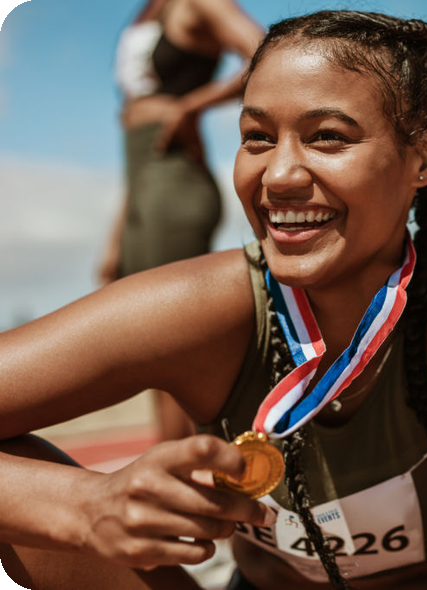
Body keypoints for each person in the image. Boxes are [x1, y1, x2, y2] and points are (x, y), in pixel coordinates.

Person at [0, 10, 427, 590]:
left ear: (425, 158)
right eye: (257, 137)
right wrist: (83, 505)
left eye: (327, 136)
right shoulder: (206, 307)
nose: (279, 175)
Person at [98, 0, 265, 442]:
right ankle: (175, 461)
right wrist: (116, 238)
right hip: (142, 183)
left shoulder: (196, 3)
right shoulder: (146, 13)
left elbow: (265, 53)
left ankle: (187, 466)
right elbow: (137, 170)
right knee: (146, 344)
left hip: (175, 179)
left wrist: (192, 106)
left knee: (168, 343)